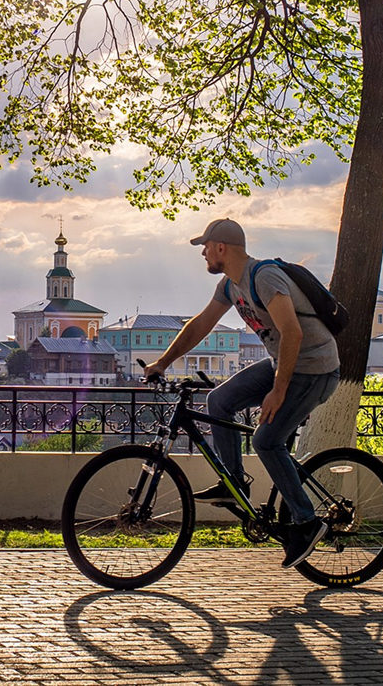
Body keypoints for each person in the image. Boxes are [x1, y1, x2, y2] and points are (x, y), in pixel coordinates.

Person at [143, 217, 342, 568]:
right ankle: (233, 481)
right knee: (218, 400)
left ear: (221, 247)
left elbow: (292, 333)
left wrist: (278, 393)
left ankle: (306, 522)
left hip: (313, 368)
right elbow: (201, 325)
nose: (203, 253)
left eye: (205, 247)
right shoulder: (230, 285)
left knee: (266, 440)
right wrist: (163, 362)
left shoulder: (263, 277)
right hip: (283, 362)